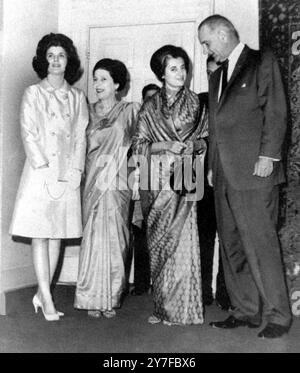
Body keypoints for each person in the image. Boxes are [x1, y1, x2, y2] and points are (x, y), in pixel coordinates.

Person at [198, 15, 292, 338]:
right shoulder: (216, 76)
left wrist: (269, 155)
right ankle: (245, 309)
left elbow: (276, 111)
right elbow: (216, 125)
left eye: (207, 43)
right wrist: (212, 165)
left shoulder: (261, 61)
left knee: (261, 244)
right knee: (232, 244)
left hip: (256, 170)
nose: (206, 50)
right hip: (224, 172)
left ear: (223, 34)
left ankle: (279, 315)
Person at [9, 33, 89, 321]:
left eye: (61, 55)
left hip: (68, 174)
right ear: (44, 60)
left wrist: (76, 170)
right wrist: (43, 168)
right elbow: (28, 133)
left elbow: (81, 137)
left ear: (69, 61)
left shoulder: (78, 97)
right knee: (40, 234)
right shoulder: (33, 93)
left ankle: (43, 294)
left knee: (57, 234)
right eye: (51, 55)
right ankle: (47, 296)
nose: (56, 61)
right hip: (39, 173)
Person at [132, 45, 207, 325]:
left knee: (182, 242)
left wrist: (193, 145)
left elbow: (208, 139)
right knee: (160, 244)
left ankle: (182, 311)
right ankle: (161, 308)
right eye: (173, 69)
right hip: (156, 179)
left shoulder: (197, 103)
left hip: (186, 173)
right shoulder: (150, 106)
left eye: (183, 68)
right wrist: (165, 145)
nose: (180, 74)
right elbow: (138, 144)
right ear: (161, 74)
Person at [74, 58, 140, 318]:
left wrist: (138, 178)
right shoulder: (85, 111)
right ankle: (91, 297)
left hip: (119, 182)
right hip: (91, 181)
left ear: (117, 84)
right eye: (95, 79)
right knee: (92, 238)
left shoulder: (131, 110)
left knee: (116, 239)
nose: (97, 84)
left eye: (103, 79)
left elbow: (141, 145)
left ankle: (110, 298)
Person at [197, 55, 232, 311]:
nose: (214, 75)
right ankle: (201, 292)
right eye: (210, 71)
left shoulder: (237, 99)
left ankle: (225, 294)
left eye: (218, 70)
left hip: (230, 177)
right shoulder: (199, 101)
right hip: (202, 181)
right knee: (203, 239)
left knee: (229, 239)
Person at [130, 83, 160, 296]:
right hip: (139, 186)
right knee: (140, 236)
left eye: (155, 98)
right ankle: (141, 284)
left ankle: (160, 285)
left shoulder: (165, 125)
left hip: (161, 187)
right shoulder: (136, 126)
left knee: (160, 237)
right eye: (147, 99)